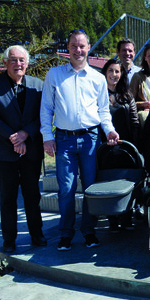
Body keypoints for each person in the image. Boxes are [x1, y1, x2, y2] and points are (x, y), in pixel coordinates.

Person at [40, 29, 120, 251]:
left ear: (89, 47)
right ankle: (65, 234)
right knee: (66, 188)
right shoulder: (54, 75)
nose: (78, 50)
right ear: (68, 47)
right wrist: (47, 137)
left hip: (90, 138)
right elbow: (46, 109)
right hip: (64, 139)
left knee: (90, 188)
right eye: (74, 45)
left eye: (82, 45)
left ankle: (88, 231)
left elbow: (104, 110)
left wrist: (110, 130)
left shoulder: (97, 78)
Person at [0, 45, 46, 253]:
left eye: (22, 60)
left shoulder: (38, 85)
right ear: (5, 62)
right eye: (13, 60)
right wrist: (14, 139)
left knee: (32, 195)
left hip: (32, 150)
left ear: (27, 63)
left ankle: (37, 235)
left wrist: (25, 134)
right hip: (4, 151)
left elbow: (43, 116)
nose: (18, 64)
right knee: (7, 198)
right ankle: (9, 240)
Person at [102, 58, 140, 232]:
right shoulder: (98, 94)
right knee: (108, 180)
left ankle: (126, 217)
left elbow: (134, 122)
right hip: (105, 146)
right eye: (111, 70)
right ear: (105, 72)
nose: (114, 74)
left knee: (126, 180)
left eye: (117, 71)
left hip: (126, 146)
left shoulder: (127, 95)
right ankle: (112, 220)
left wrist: (135, 144)